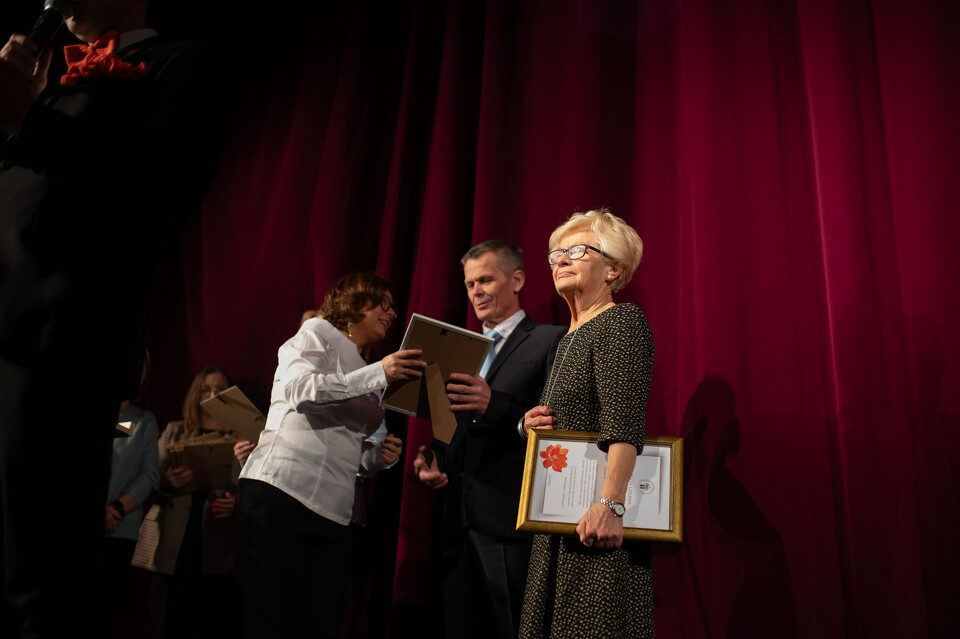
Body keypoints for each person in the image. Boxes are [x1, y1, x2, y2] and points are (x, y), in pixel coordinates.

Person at [0, 2, 220, 634]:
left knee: (37, 572)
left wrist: (30, 121)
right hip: (7, 326)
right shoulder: (48, 82)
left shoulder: (179, 63)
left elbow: (169, 182)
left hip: (61, 343)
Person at [235, 271, 422, 638]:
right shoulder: (315, 334)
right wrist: (378, 373)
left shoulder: (368, 368)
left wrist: (378, 457)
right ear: (354, 303)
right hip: (282, 493)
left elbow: (351, 451)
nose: (392, 313)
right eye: (383, 303)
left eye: (393, 307)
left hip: (335, 513)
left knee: (320, 625)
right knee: (271, 621)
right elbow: (301, 391)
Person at [413, 240, 566, 639]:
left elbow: (558, 424)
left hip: (510, 519)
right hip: (455, 521)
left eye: (485, 280)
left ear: (517, 280)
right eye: (469, 284)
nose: (476, 291)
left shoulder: (551, 340)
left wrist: (493, 404)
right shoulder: (459, 349)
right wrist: (435, 459)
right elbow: (453, 425)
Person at [517, 209, 655, 638]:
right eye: (556, 253)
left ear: (614, 269)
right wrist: (529, 426)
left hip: (596, 522)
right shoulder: (566, 340)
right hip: (559, 520)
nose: (561, 259)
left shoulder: (621, 322)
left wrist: (611, 506)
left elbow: (623, 423)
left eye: (578, 251)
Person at [130, 366, 241, 639]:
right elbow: (151, 477)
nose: (212, 395)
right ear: (196, 394)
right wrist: (168, 480)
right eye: (206, 390)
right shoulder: (175, 430)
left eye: (220, 390)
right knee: (166, 620)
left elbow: (252, 486)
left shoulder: (240, 437)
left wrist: (238, 505)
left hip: (216, 538)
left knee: (208, 621)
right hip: (173, 536)